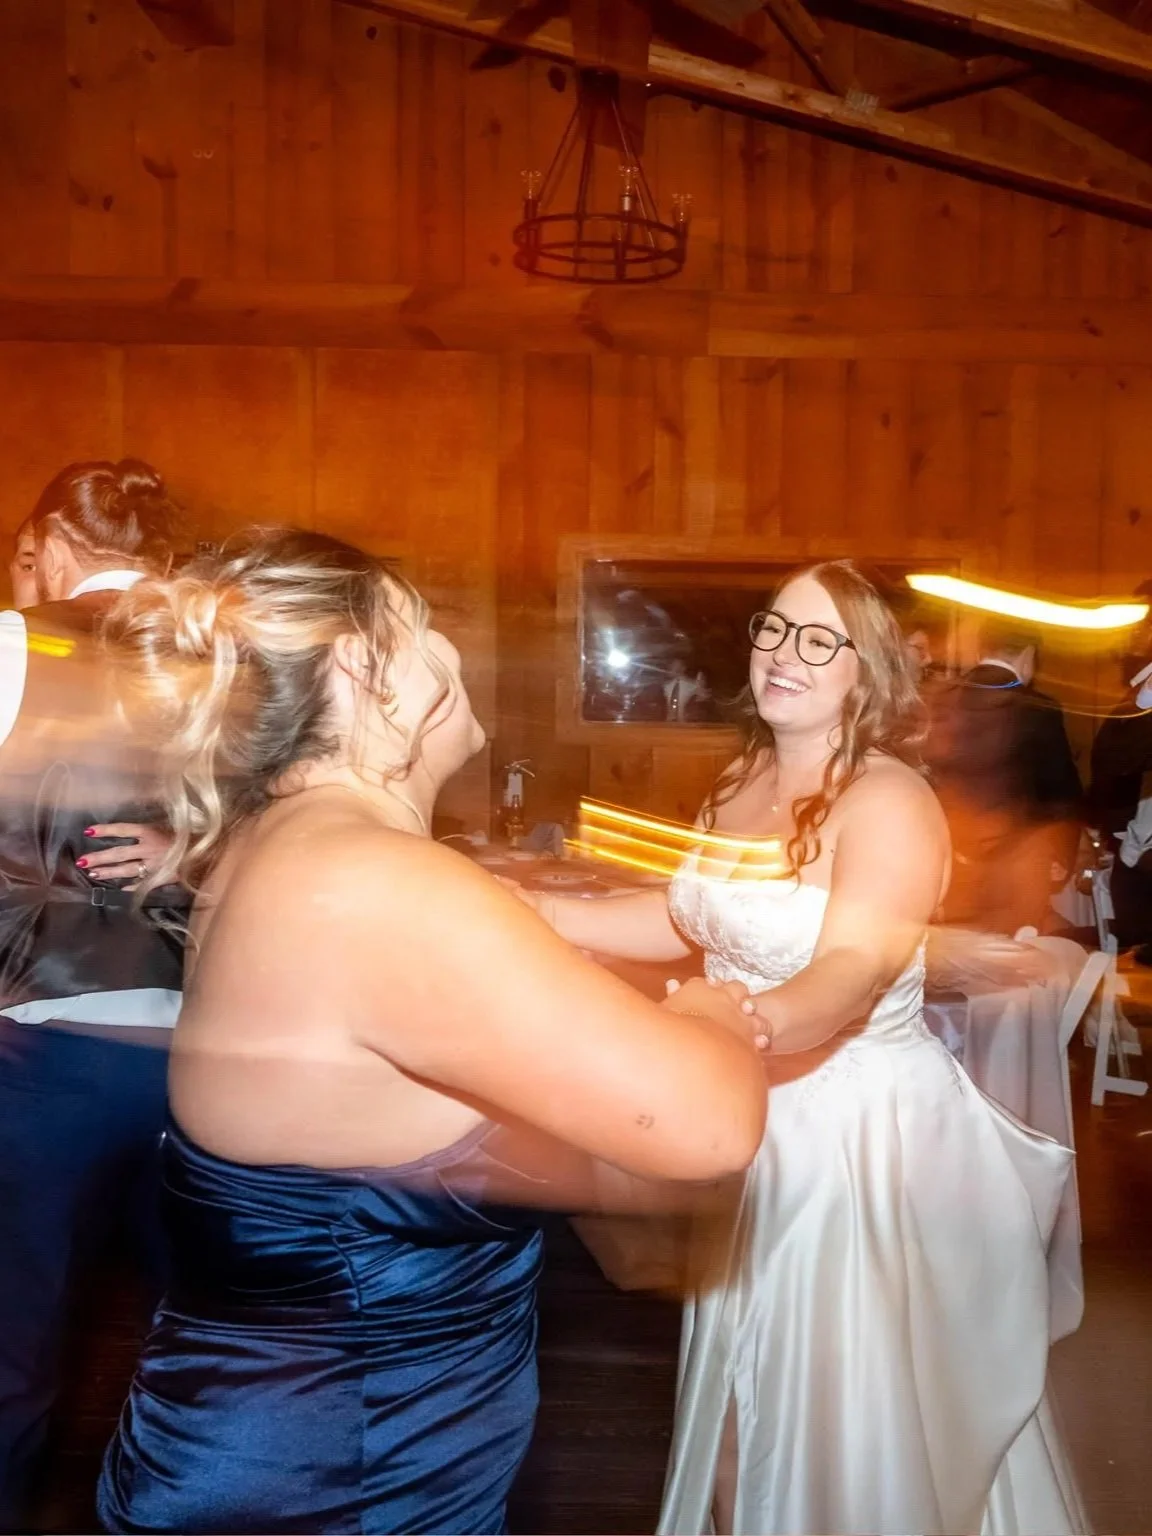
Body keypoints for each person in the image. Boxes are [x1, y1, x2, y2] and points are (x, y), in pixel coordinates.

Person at [96, 528, 768, 1536]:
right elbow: (706, 1127)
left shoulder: (284, 847)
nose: (450, 649)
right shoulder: (372, 882)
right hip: (338, 1484)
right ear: (364, 664)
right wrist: (718, 1003)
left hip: (293, 1448)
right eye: (422, 626)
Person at [521, 562, 1084, 1535]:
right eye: (774, 629)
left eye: (820, 639)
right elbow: (684, 913)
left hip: (855, 1138)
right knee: (745, 1389)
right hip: (757, 1112)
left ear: (869, 672)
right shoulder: (743, 779)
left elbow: (851, 974)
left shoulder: (891, 801)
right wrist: (530, 912)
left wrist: (745, 1025)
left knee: (825, 1408)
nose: (785, 653)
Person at [0, 459, 188, 1530]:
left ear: (54, 544)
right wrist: (188, 846)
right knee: (201, 1340)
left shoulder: (11, 642)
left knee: (12, 1352)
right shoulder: (221, 664)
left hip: (41, 1055)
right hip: (205, 1058)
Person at [926, 623, 1083, 937]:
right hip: (1018, 859)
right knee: (1013, 955)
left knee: (957, 949)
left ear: (982, 649)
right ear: (1028, 656)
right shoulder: (1039, 707)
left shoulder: (941, 700)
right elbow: (1059, 786)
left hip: (950, 850)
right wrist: (1063, 853)